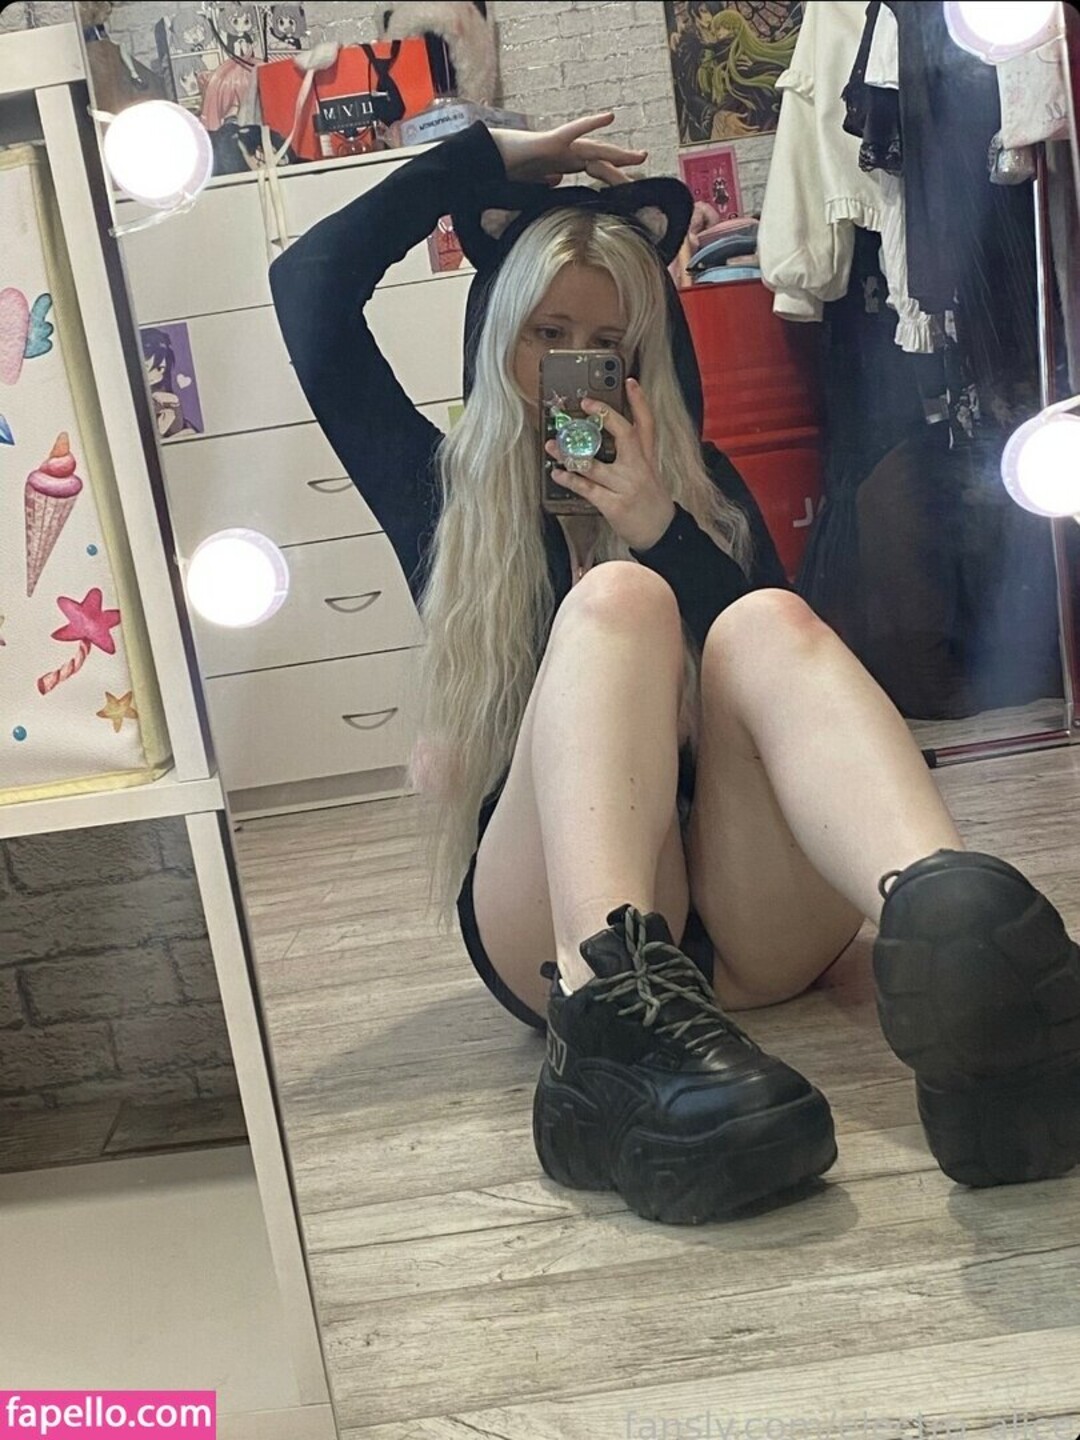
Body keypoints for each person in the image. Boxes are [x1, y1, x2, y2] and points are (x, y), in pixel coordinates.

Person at [270, 114, 1080, 1225]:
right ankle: (616, 1024)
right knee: (620, 603)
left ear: (647, 358)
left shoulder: (705, 493)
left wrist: (662, 524)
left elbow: (785, 714)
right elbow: (310, 291)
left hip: (746, 920)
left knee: (765, 622)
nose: (576, 367)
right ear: (499, 338)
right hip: (555, 937)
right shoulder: (438, 491)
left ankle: (967, 938)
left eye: (609, 344)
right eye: (548, 333)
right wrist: (485, 158)